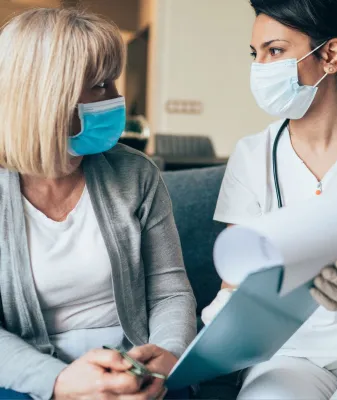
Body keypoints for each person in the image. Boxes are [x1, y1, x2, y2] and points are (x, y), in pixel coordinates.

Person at [202, 0, 337, 398]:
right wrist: (219, 326)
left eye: (274, 51)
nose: (260, 68)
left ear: (330, 55)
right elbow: (235, 278)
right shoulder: (252, 155)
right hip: (283, 351)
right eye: (255, 54)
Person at [0, 8, 196, 400]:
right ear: (46, 97)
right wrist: (58, 382)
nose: (117, 98)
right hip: (28, 371)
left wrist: (166, 355)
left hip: (131, 363)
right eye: (101, 85)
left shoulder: (136, 173)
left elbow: (169, 290)